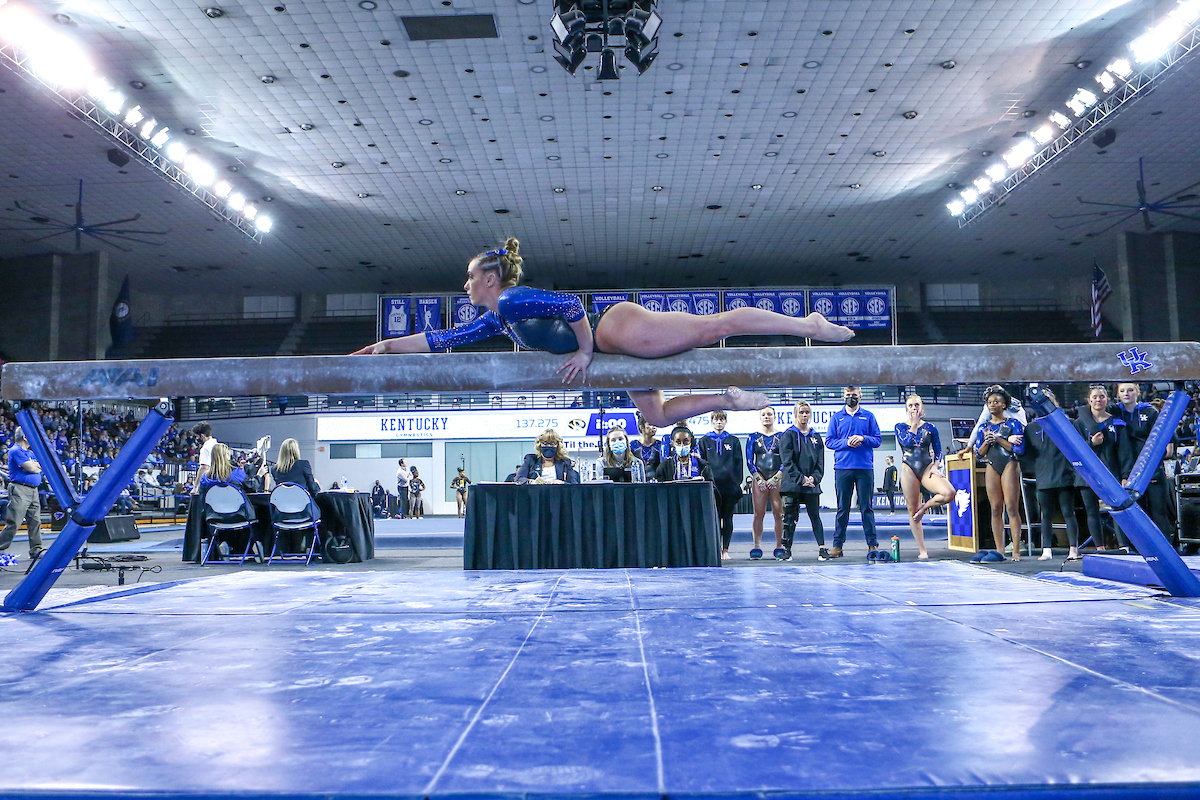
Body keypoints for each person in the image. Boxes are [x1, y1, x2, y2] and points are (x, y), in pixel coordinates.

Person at [354, 237, 853, 427]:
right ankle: (727, 400)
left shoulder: (509, 299)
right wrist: (384, 346)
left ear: (489, 279)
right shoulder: (493, 318)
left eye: (468, 277)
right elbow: (437, 340)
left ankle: (805, 325)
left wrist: (588, 352)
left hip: (612, 332)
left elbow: (571, 305)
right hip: (608, 352)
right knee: (655, 417)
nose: (463, 285)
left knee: (710, 329)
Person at [1022, 388, 1081, 561]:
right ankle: (1046, 549)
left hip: (1064, 475)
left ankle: (1073, 548)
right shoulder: (1031, 428)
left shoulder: (1067, 423)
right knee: (1045, 514)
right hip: (1043, 476)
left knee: (1067, 512)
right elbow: (1026, 454)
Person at [1112, 382, 1174, 543]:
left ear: (1138, 392)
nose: (1127, 393)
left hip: (1151, 470)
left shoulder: (1150, 412)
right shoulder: (1114, 411)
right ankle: (1137, 548)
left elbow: (1165, 441)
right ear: (1118, 394)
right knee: (1135, 513)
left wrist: (1155, 467)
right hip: (1126, 471)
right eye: (1123, 391)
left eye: (1131, 390)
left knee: (1158, 512)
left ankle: (1165, 546)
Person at [1074, 384, 1133, 552]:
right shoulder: (1079, 423)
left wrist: (1125, 475)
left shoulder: (1117, 423)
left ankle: (1124, 546)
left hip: (1111, 473)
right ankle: (1100, 547)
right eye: (1094, 397)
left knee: (1118, 509)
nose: (1098, 400)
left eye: (1102, 396)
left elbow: (1125, 452)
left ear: (1107, 399)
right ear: (1088, 400)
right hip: (1087, 475)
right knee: (1091, 511)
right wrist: (1091, 443)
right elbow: (1075, 449)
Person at [895, 394, 955, 560]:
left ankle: (925, 507)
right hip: (909, 468)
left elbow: (939, 450)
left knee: (949, 493)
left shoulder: (931, 427)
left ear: (922, 408)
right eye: (911, 406)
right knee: (912, 510)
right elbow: (907, 442)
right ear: (906, 409)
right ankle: (922, 549)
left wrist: (936, 466)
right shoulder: (900, 426)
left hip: (927, 467)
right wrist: (914, 425)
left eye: (917, 405)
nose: (914, 408)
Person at [826, 386, 882, 560]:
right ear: (843, 396)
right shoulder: (836, 418)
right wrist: (846, 443)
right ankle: (837, 545)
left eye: (854, 395)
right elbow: (829, 441)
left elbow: (878, 440)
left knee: (866, 508)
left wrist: (863, 438)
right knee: (843, 508)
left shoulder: (869, 416)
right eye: (848, 395)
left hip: (865, 468)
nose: (851, 397)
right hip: (843, 468)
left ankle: (872, 544)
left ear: (860, 396)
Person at [976, 386, 1026, 561]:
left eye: (996, 402)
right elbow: (978, 453)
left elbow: (1020, 450)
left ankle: (1016, 550)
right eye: (989, 402)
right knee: (995, 508)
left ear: (1004, 405)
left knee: (1011, 507)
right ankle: (999, 550)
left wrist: (998, 439)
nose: (992, 405)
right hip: (992, 464)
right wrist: (988, 442)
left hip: (1009, 464)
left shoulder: (1013, 424)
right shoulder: (984, 427)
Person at [779, 400, 827, 561]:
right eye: (801, 412)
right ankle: (786, 549)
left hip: (812, 485)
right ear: (795, 414)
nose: (804, 415)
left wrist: (814, 478)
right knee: (790, 519)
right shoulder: (788, 435)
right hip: (792, 484)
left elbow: (820, 461)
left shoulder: (816, 436)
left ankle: (822, 548)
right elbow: (787, 461)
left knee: (815, 517)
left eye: (807, 412)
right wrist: (801, 479)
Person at [698, 410, 743, 560]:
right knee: (715, 519)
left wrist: (737, 483)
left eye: (722, 419)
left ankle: (726, 549)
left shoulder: (734, 440)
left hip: (729, 487)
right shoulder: (704, 441)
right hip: (712, 487)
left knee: (728, 518)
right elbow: (702, 464)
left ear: (725, 421)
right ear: (711, 421)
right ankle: (716, 548)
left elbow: (739, 464)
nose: (719, 422)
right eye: (716, 419)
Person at [0, 427, 44, 563]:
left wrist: (36, 466)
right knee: (14, 522)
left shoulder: (30, 452)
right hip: (20, 489)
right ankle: (0, 548)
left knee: (35, 521)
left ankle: (36, 550)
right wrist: (36, 466)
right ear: (25, 436)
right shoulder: (15, 450)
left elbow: (41, 466)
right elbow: (32, 468)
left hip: (33, 490)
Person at [745, 407, 784, 560]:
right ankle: (757, 545)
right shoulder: (753, 437)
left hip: (777, 479)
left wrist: (777, 476)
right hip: (759, 478)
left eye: (769, 414)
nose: (766, 417)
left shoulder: (782, 436)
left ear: (775, 416)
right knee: (758, 513)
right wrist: (758, 477)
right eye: (763, 414)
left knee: (779, 514)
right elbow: (749, 460)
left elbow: (786, 458)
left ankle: (780, 545)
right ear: (760, 417)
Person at [191, 421, 216, 495]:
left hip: (210, 484)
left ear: (202, 436)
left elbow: (204, 468)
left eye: (197, 437)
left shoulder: (206, 448)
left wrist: (196, 487)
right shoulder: (218, 445)